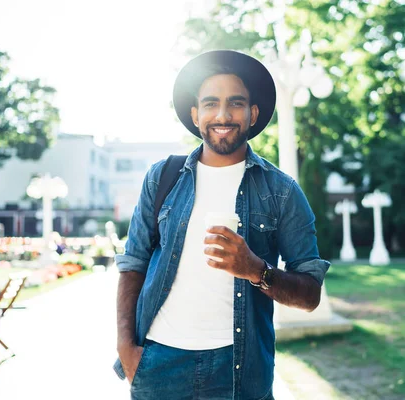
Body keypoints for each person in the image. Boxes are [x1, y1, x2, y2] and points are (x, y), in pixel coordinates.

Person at [113, 50, 331, 400]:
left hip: (239, 369)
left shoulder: (282, 191)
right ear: (196, 115)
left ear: (252, 114)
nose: (223, 114)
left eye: (236, 103)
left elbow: (310, 295)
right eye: (211, 103)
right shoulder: (163, 177)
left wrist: (256, 269)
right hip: (159, 363)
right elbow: (133, 263)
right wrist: (127, 348)